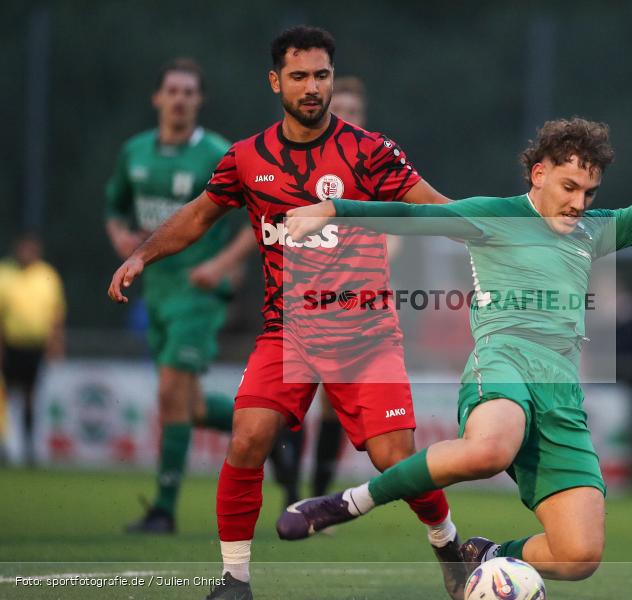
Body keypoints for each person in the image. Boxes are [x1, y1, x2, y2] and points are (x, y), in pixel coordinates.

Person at [275, 94, 632, 583]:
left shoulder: (592, 232)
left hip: (562, 394)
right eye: (570, 186)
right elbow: (412, 217)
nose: (579, 202)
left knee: (579, 556)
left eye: (590, 192)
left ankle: (485, 556)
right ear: (539, 174)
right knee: (490, 450)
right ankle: (347, 502)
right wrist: (334, 208)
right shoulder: (495, 216)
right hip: (504, 360)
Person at [107, 27, 465, 600]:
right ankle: (234, 579)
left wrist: (497, 234)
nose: (312, 87)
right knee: (248, 436)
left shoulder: (369, 150)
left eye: (321, 75)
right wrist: (141, 255)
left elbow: (436, 207)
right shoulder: (247, 158)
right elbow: (198, 216)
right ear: (276, 81)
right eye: (299, 76)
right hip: (288, 333)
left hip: (366, 333)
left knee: (394, 457)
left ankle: (448, 543)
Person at [105, 58, 256, 533]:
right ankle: (269, 429)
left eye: (189, 92)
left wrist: (221, 264)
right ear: (157, 98)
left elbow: (260, 218)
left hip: (198, 292)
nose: (180, 99)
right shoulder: (134, 153)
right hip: (158, 291)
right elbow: (115, 208)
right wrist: (121, 240)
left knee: (170, 391)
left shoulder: (217, 152)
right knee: (185, 407)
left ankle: (164, 510)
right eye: (172, 90)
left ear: (199, 100)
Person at [269, 75, 372, 509]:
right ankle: (290, 492)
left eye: (353, 112)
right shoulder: (302, 162)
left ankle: (317, 498)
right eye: (340, 109)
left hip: (351, 303)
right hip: (297, 300)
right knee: (287, 400)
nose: (345, 117)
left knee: (332, 404)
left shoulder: (373, 163)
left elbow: (398, 229)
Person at [0, 233, 66, 466]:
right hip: (9, 346)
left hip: (35, 347)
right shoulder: (5, 274)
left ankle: (28, 448)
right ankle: (4, 446)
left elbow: (56, 313)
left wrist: (56, 342)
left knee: (30, 396)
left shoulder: (47, 275)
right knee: (5, 398)